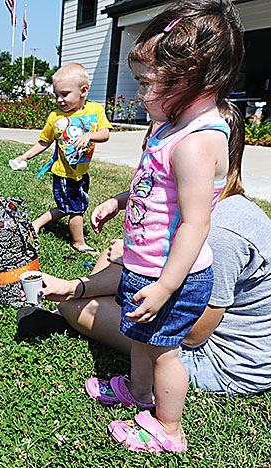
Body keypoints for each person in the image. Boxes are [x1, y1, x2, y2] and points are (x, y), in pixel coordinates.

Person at [78, 0, 243, 452]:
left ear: (192, 73)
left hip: (175, 277)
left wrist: (167, 287)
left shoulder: (197, 141)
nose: (140, 93)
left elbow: (195, 223)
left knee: (165, 350)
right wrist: (119, 199)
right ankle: (138, 391)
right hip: (145, 268)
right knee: (140, 338)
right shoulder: (168, 127)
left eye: (148, 83)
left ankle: (169, 429)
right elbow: (153, 187)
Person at [11, 63, 112, 253]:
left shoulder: (95, 110)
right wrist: (25, 156)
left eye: (64, 94)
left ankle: (36, 225)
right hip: (63, 173)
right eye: (56, 95)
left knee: (67, 206)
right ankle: (78, 242)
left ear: (83, 91)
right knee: (76, 208)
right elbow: (44, 142)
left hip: (82, 171)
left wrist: (89, 136)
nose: (59, 100)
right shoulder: (55, 117)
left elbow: (105, 133)